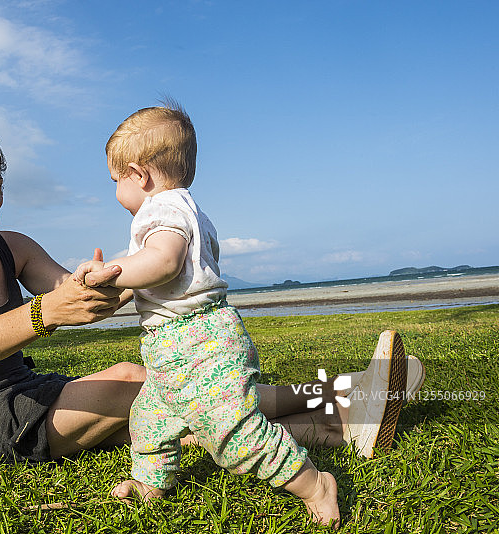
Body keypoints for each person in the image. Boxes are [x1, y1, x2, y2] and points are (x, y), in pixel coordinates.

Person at [0, 120, 420, 501]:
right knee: (147, 384)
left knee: (173, 388)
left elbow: (86, 296)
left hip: (23, 387)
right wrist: (45, 313)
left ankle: (342, 405)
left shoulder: (14, 247)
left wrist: (124, 278)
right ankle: (339, 414)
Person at [72, 102, 413, 526]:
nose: (116, 193)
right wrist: (111, 283)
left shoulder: (160, 210)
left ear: (138, 175)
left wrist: (113, 272)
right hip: (170, 354)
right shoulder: (183, 210)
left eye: (115, 181)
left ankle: (314, 482)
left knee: (233, 434)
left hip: (199, 343)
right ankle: (151, 481)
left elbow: (162, 264)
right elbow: (158, 275)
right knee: (150, 419)